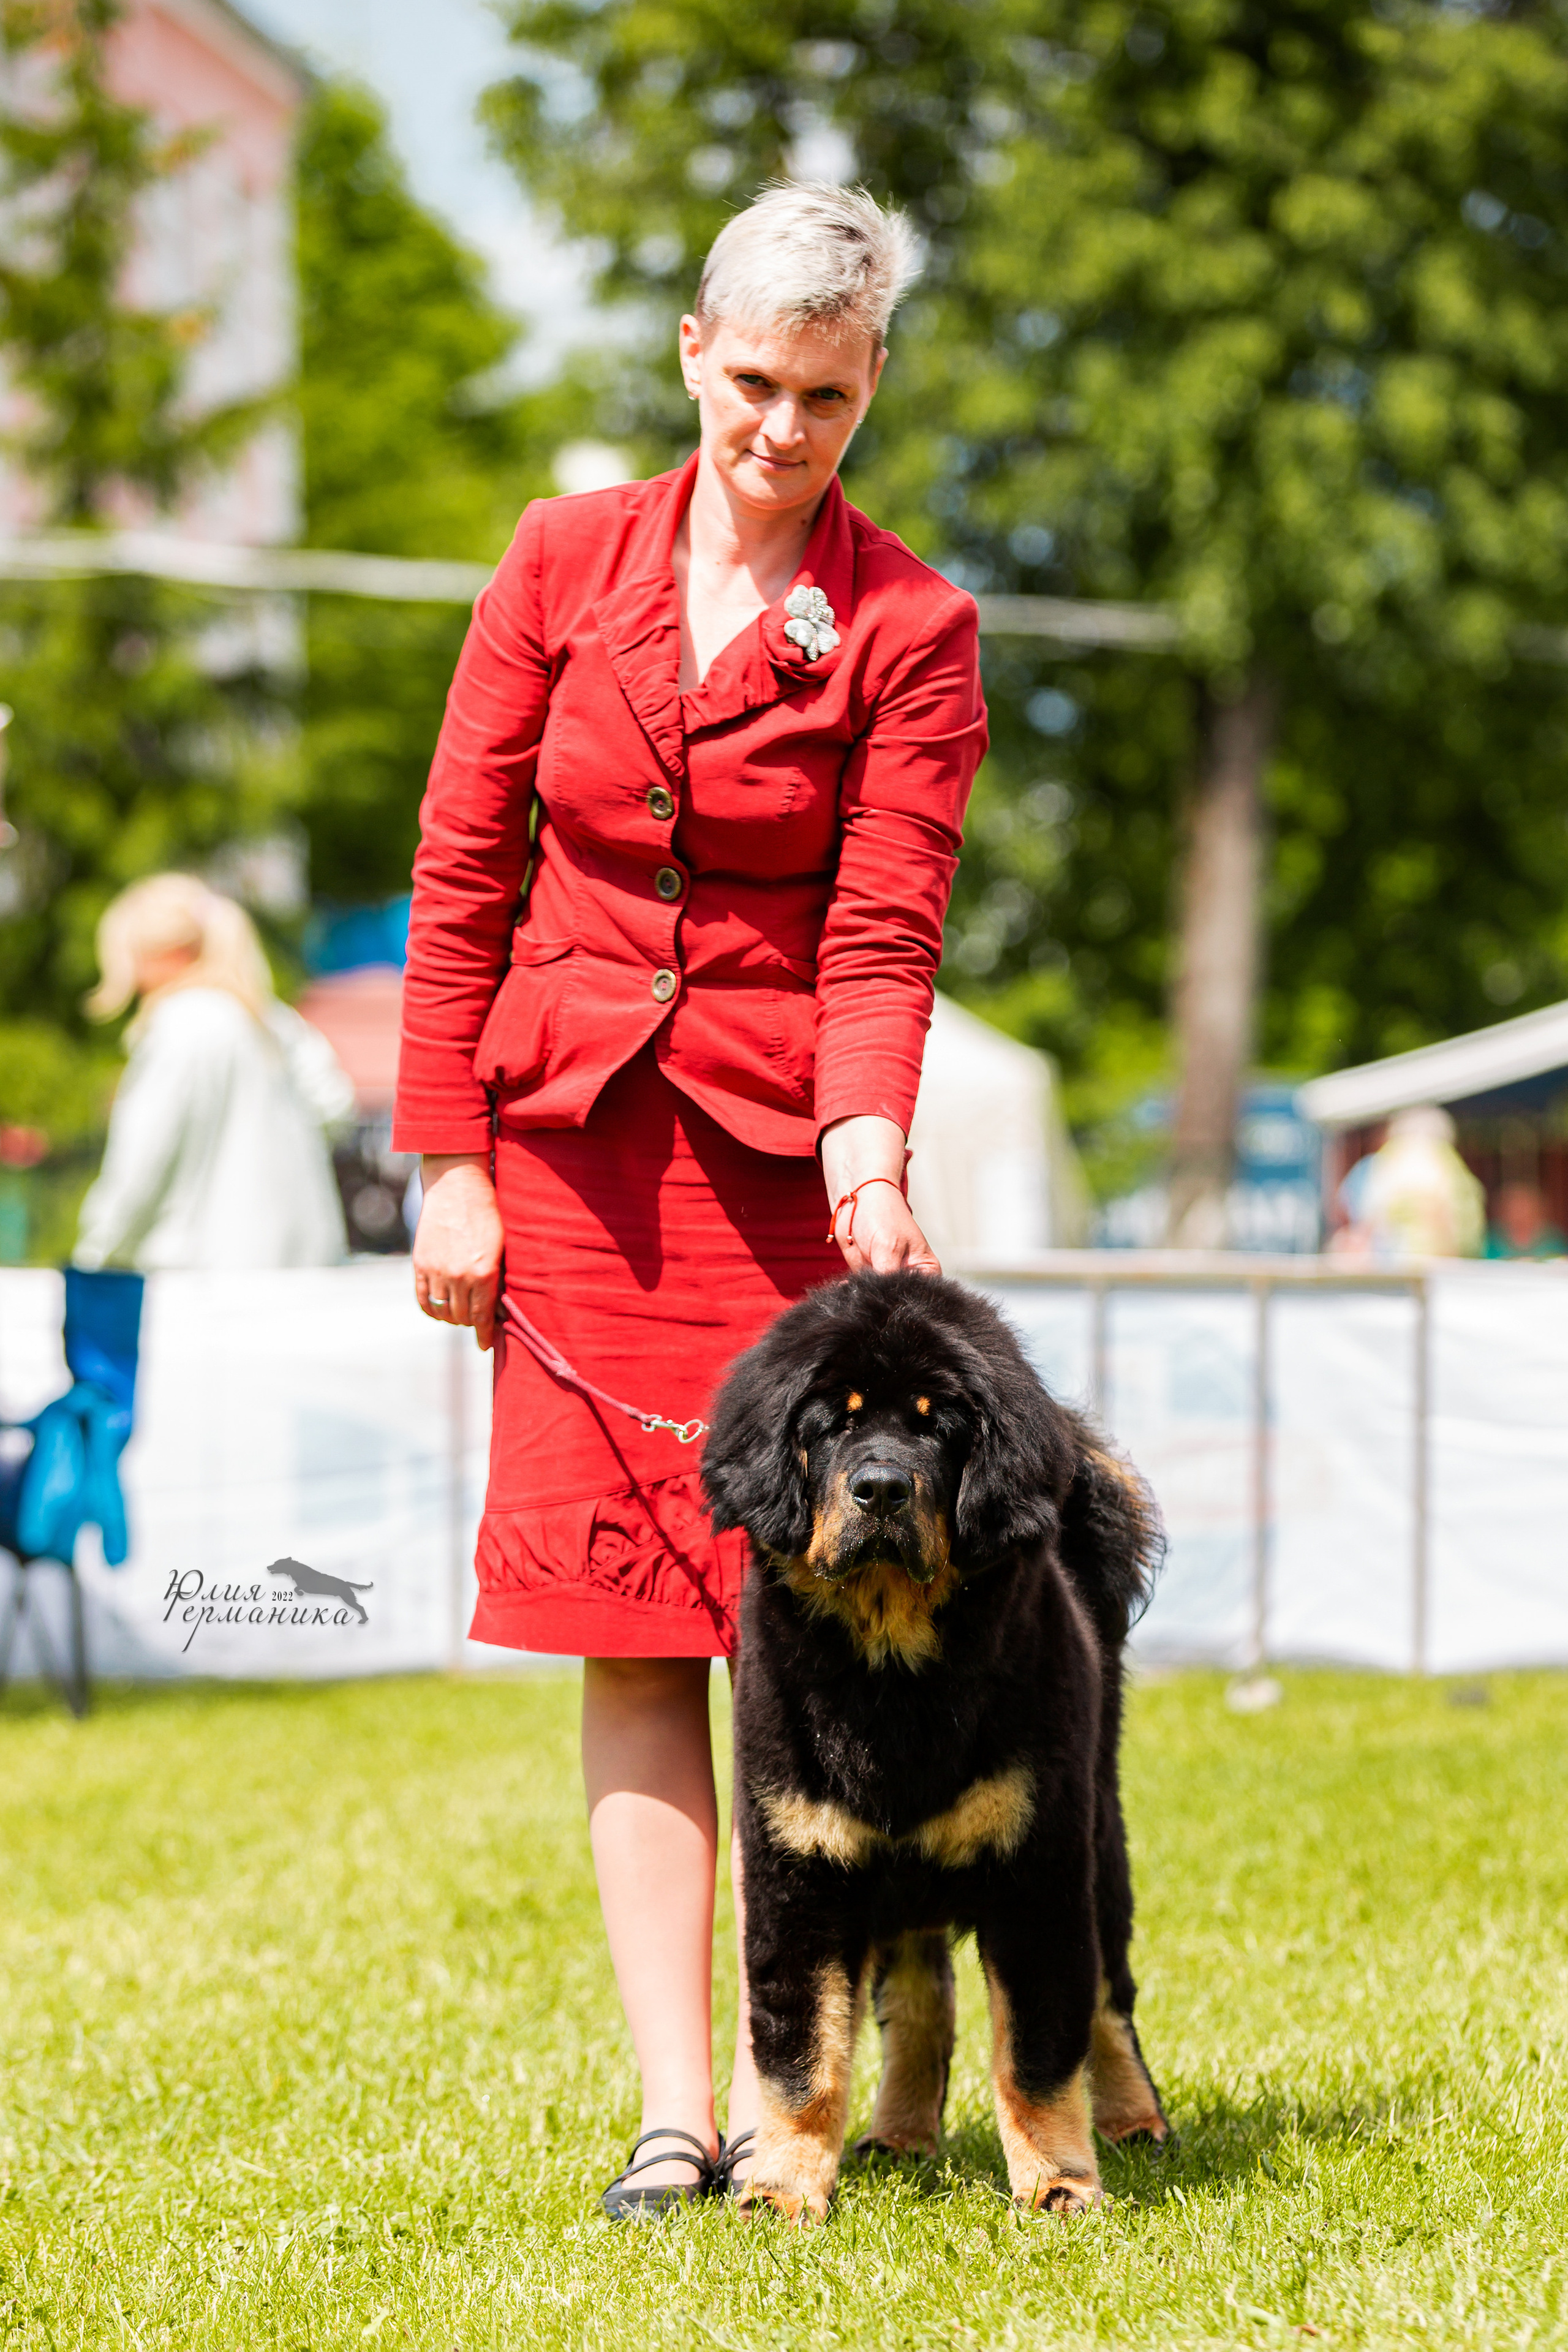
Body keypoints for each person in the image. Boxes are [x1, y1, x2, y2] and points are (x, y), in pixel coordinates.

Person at [393, 183, 987, 2216]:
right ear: (688, 353)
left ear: (874, 381)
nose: (782, 432)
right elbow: (462, 870)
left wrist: (870, 1158)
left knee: (794, 1635)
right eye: (752, 384)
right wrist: (450, 1165)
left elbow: (882, 934)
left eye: (826, 395)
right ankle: (678, 2104)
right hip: (565, 1167)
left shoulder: (912, 625)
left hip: (773, 1191)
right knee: (621, 1629)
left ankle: (789, 2080)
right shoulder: (557, 562)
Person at [75, 873, 353, 1271]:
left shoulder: (181, 1026)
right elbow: (336, 1109)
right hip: (304, 1265)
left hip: (204, 1286)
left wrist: (96, 1253)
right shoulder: (274, 1021)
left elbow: (141, 1163)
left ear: (160, 954)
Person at [1349, 1104, 1485, 1264]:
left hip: (1407, 1266)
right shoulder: (1449, 1167)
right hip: (1433, 1266)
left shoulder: (1396, 1164)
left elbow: (1368, 1221)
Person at [1483, 1178, 1567, 1260]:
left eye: (1525, 1207)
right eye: (1514, 1208)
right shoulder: (1490, 1239)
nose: (1520, 1214)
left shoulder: (1553, 1238)